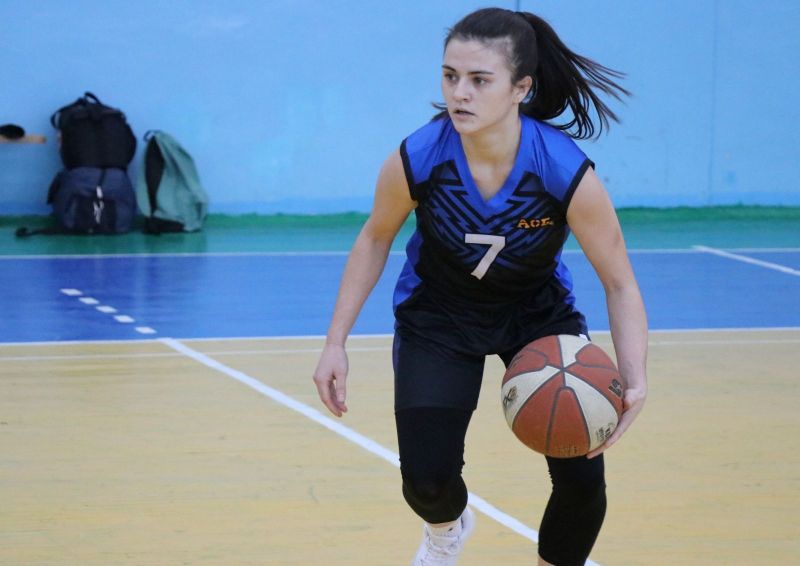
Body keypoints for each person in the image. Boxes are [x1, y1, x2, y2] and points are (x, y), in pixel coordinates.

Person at [313, 7, 647, 565]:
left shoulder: (562, 170)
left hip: (536, 314)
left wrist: (634, 379)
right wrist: (335, 342)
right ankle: (447, 529)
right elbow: (374, 239)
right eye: (450, 76)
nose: (459, 93)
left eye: (479, 79)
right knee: (427, 482)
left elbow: (620, 283)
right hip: (439, 316)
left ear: (521, 88)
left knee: (582, 479)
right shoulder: (419, 157)